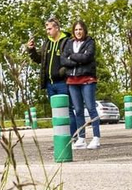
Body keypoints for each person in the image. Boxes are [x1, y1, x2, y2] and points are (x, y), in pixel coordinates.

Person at [61, 21, 102, 149]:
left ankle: (96, 138)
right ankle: (81, 138)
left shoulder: (90, 42)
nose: (78, 32)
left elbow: (87, 57)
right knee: (78, 110)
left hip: (87, 79)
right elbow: (63, 59)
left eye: (80, 29)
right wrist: (76, 61)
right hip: (72, 80)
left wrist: (72, 56)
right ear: (73, 31)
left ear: (84, 30)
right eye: (76, 29)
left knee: (91, 108)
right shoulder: (68, 43)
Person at [28, 18, 67, 113]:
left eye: (49, 29)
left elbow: (71, 60)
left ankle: (74, 129)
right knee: (55, 112)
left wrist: (62, 72)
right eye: (46, 29)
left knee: (67, 110)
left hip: (63, 83)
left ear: (57, 28)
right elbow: (38, 59)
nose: (47, 32)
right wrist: (31, 49)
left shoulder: (66, 42)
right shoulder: (47, 43)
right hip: (50, 85)